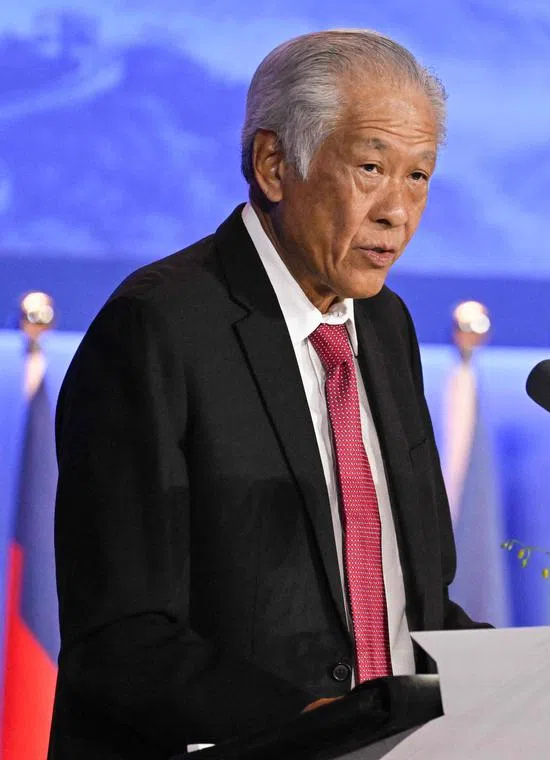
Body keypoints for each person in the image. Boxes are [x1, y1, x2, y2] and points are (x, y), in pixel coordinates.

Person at [49, 29, 482, 759]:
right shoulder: (159, 326)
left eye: (419, 176)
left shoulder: (385, 323)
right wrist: (312, 725)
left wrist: (548, 676)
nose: (397, 211)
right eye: (372, 167)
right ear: (275, 165)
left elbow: (414, 600)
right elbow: (121, 632)